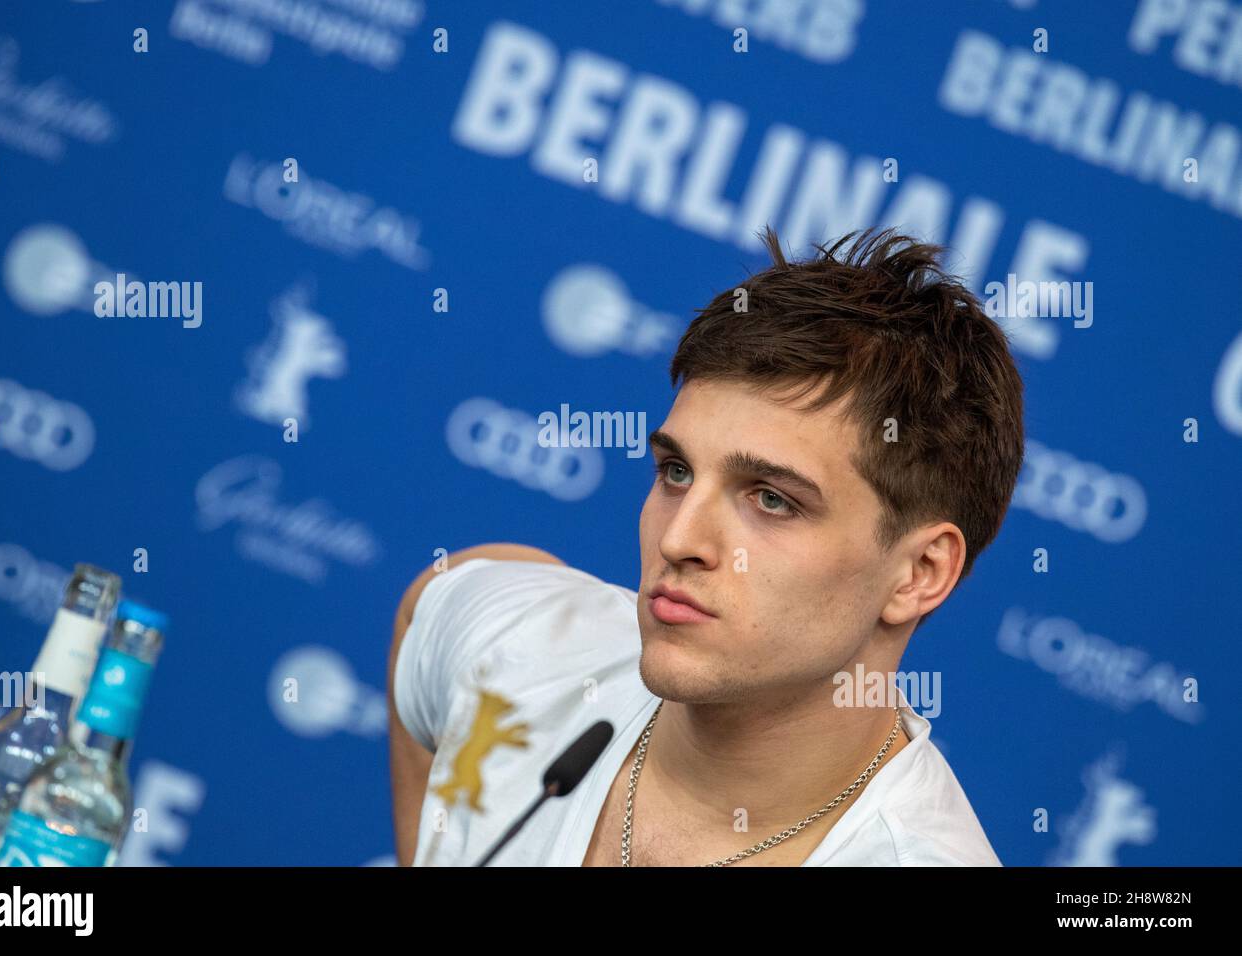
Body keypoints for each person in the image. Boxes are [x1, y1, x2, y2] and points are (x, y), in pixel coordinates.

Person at [388, 226, 1024, 866]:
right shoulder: (521, 652)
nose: (678, 537)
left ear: (919, 572)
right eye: (677, 472)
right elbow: (433, 606)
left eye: (772, 499)